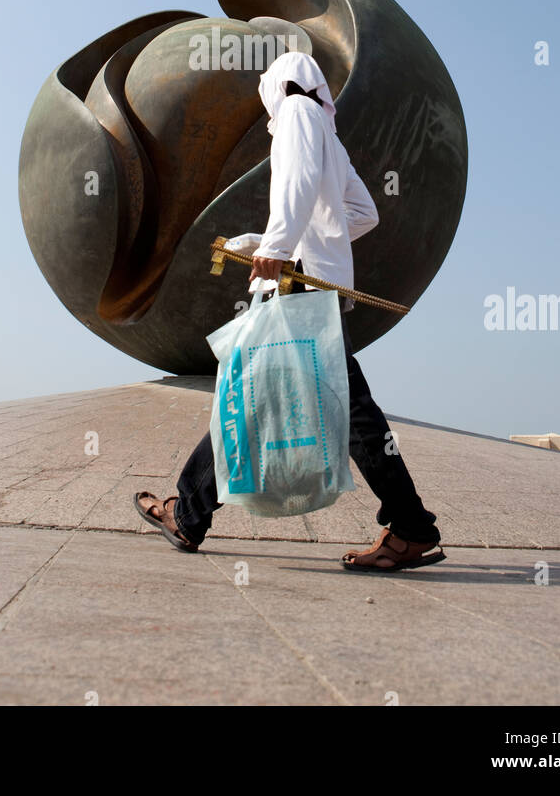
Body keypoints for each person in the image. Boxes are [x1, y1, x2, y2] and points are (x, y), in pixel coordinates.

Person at [134, 51, 444, 572]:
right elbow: (362, 213)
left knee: (311, 408)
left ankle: (412, 528)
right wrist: (285, 242)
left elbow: (299, 184)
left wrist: (278, 248)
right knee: (255, 399)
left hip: (301, 294)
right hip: (315, 290)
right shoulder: (326, 127)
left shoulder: (298, 115)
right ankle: (189, 511)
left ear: (282, 84)